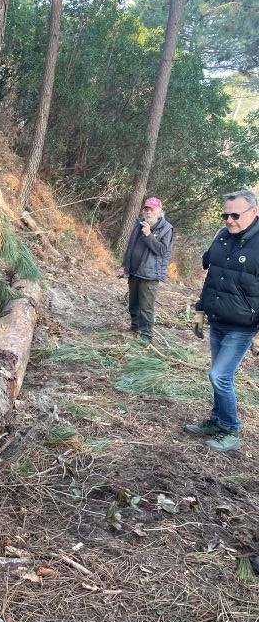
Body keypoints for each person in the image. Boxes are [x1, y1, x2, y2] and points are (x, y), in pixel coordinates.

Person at [184, 189, 259, 452]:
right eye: (225, 214)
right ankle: (216, 420)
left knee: (219, 375)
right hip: (218, 320)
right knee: (218, 374)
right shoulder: (222, 238)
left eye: (235, 214)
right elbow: (212, 278)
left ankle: (231, 429)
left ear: (254, 212)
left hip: (243, 325)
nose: (229, 220)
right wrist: (200, 309)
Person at [117, 196, 174, 345]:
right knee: (133, 304)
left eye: (152, 209)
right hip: (135, 271)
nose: (148, 212)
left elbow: (162, 250)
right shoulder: (139, 223)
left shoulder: (166, 228)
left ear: (159, 211)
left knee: (146, 308)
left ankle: (146, 337)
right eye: (146, 209)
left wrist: (149, 235)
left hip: (150, 275)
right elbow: (131, 246)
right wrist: (124, 265)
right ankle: (135, 328)